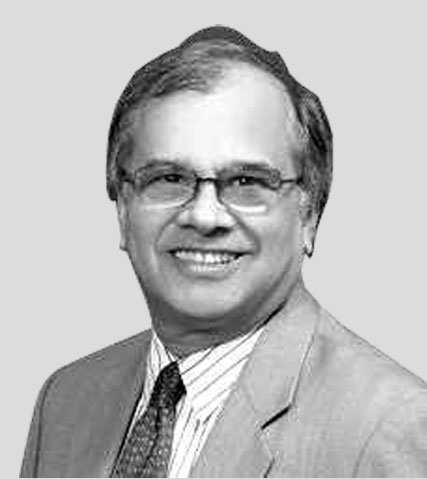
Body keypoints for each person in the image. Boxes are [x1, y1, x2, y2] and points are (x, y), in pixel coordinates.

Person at [20, 25, 427, 478]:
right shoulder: (65, 400)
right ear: (122, 210)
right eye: (168, 178)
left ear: (309, 215)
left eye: (247, 182)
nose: (204, 215)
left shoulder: (394, 426)